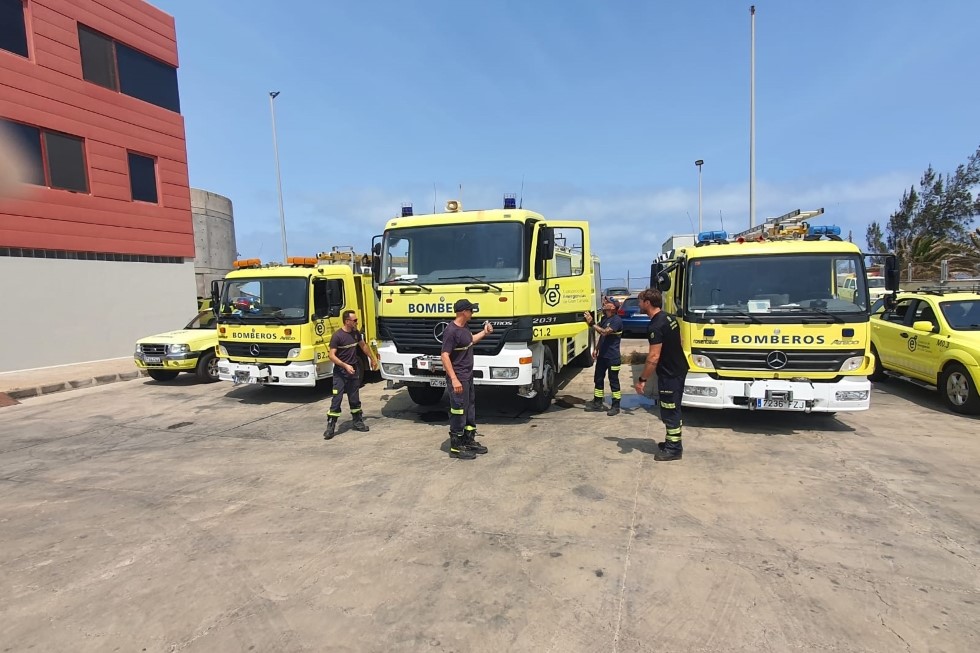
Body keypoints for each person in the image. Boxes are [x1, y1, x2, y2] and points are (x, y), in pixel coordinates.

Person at [634, 288, 689, 461]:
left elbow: (653, 357)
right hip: (678, 369)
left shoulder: (655, 325)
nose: (639, 304)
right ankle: (672, 442)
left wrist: (642, 379)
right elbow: (680, 340)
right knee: (674, 408)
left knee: (670, 411)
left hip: (670, 374)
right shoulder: (670, 317)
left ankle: (673, 449)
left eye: (640, 301)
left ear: (647, 303)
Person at [441, 298, 492, 459]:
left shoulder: (464, 328)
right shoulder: (451, 331)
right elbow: (444, 355)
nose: (472, 313)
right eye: (471, 310)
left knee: (469, 408)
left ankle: (468, 440)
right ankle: (457, 447)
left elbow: (470, 341)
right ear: (464, 312)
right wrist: (454, 379)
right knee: (458, 410)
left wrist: (485, 332)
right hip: (459, 377)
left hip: (467, 376)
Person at [324, 310, 378, 440]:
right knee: (337, 399)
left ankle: (358, 422)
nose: (356, 322)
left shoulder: (355, 333)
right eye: (354, 320)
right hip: (341, 372)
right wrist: (345, 366)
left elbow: (363, 345)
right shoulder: (338, 336)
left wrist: (372, 358)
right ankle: (331, 426)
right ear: (347, 321)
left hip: (354, 371)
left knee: (354, 398)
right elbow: (331, 355)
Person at [583, 299, 624, 415]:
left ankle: (616, 406)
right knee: (598, 379)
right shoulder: (604, 318)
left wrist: (591, 323)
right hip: (603, 356)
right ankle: (597, 402)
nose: (605, 304)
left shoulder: (617, 321)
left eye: (608, 303)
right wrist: (596, 348)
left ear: (613, 308)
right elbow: (602, 336)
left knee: (613, 381)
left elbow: (605, 332)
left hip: (613, 358)